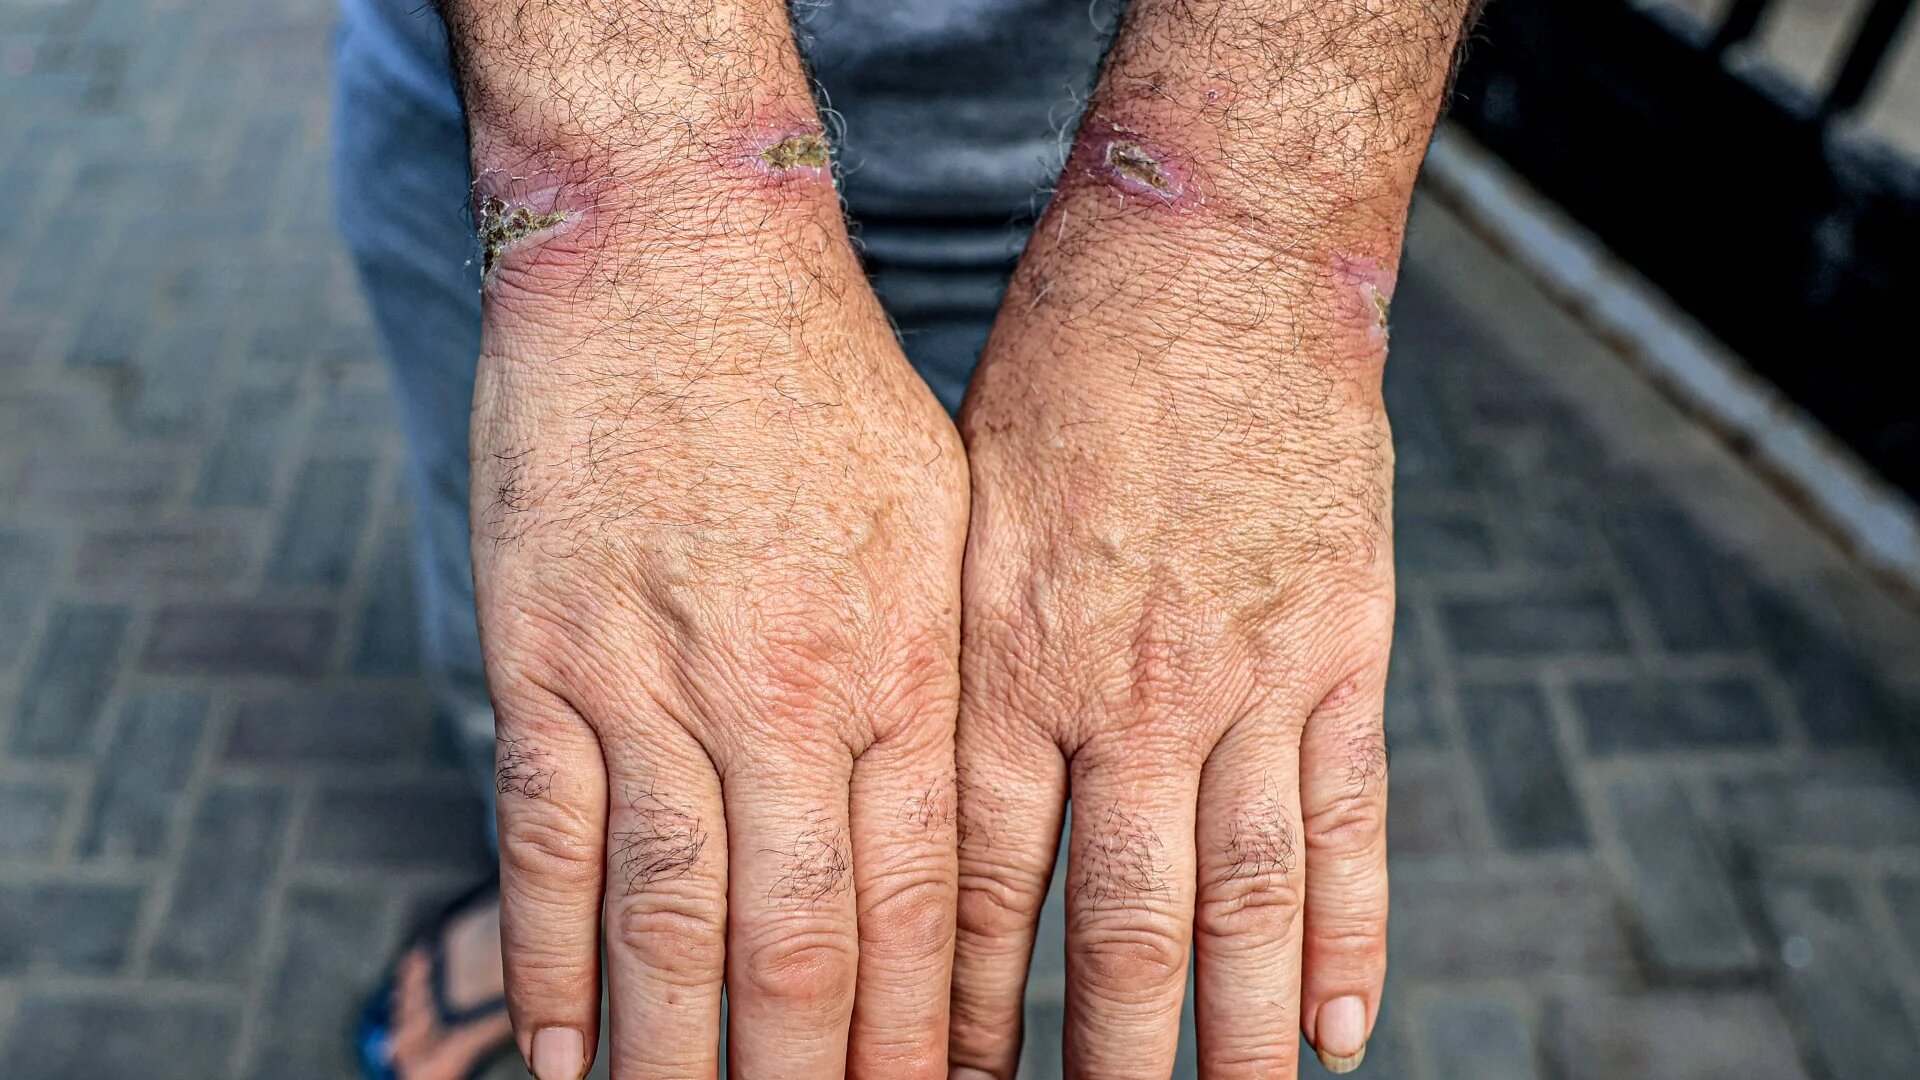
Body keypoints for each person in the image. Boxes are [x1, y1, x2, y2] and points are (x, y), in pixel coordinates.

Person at [332, 0, 1477, 1076]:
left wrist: (1256, 223)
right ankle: (543, 899)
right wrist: (645, 177)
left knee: (1125, 699)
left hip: (1194, 162)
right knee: (585, 677)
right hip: (540, 138)